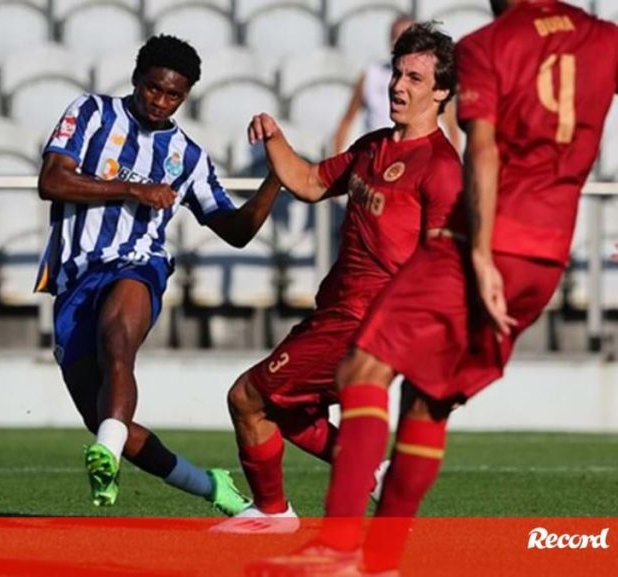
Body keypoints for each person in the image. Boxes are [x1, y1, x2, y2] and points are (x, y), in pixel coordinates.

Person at [264, 1, 618, 574]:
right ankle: (379, 561)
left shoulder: (486, 47)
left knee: (363, 370)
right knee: (427, 401)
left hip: (487, 241)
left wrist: (478, 253)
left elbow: (481, 150)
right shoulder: (605, 37)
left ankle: (339, 549)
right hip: (547, 259)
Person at [212, 23, 463, 533]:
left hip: (365, 324)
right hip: (336, 312)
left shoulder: (441, 168)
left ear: (441, 92)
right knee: (289, 413)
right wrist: (276, 138)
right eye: (397, 73)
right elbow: (306, 182)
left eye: (415, 78)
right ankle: (375, 474)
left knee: (248, 397)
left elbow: (443, 264)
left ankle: (273, 512)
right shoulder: (373, 146)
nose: (398, 86)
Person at [35, 34, 282, 513]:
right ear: (137, 79)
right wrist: (133, 190)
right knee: (102, 416)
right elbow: (52, 180)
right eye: (153, 89)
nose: (160, 102)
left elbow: (234, 230)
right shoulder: (90, 113)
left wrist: (277, 180)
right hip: (73, 278)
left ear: (185, 96)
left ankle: (105, 454)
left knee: (117, 343)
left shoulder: (187, 157)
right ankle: (211, 487)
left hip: (137, 263)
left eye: (173, 96)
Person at [334, 15, 463, 153]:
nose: (397, 86)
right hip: (377, 156)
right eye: (396, 37)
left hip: (418, 155)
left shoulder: (432, 78)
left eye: (414, 78)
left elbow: (450, 124)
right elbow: (347, 120)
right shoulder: (371, 74)